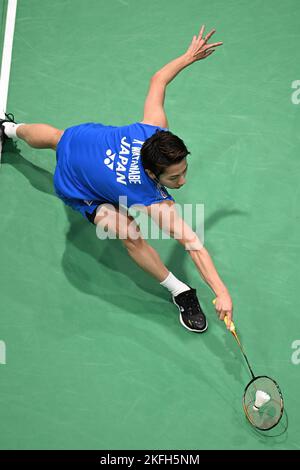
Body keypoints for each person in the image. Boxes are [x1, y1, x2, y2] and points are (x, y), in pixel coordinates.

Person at [0, 25, 233, 333]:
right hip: (78, 185)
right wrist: (222, 291)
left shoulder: (153, 130)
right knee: (128, 232)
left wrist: (188, 57)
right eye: (175, 177)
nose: (183, 181)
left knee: (58, 137)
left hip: (83, 140)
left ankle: (7, 129)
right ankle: (180, 291)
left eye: (184, 170)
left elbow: (158, 80)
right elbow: (191, 242)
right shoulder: (152, 200)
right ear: (152, 174)